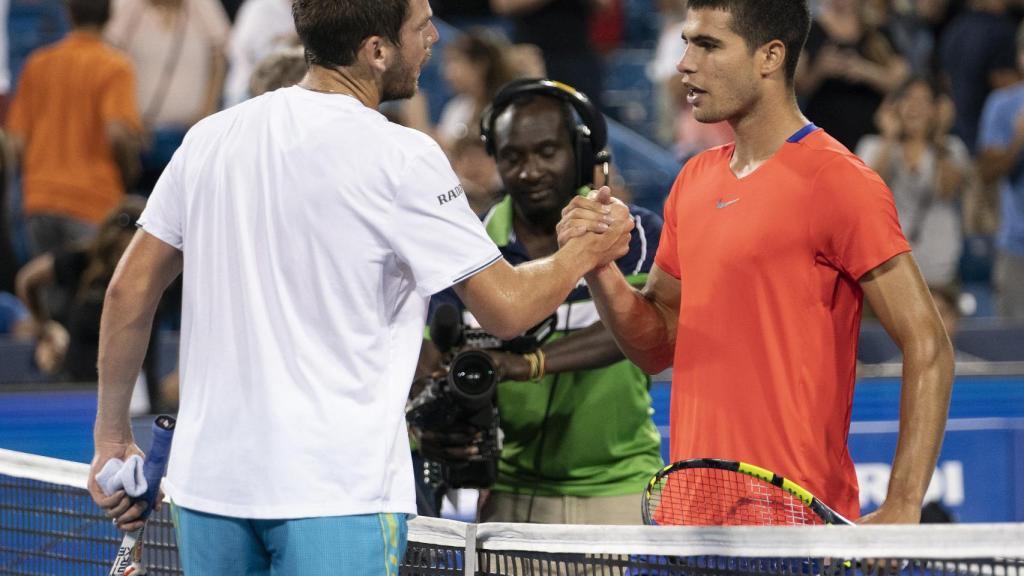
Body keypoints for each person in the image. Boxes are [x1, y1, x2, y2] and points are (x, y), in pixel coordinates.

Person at [87, 0, 635, 572]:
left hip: (208, 492)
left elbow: (129, 291)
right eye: (421, 27)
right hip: (336, 494)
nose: (433, 39)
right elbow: (508, 308)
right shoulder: (402, 157)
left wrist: (111, 436)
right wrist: (585, 250)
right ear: (376, 51)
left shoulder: (210, 138)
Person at [559, 0, 953, 524]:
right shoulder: (693, 181)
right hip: (694, 524)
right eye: (685, 43)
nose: (685, 64)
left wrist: (904, 502)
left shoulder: (839, 180)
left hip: (800, 523)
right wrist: (599, 269)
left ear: (770, 57)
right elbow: (656, 345)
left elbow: (928, 343)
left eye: (708, 45)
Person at [418, 79, 664, 525]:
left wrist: (527, 363)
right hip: (508, 494)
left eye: (547, 152)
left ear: (583, 155)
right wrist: (434, 421)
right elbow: (431, 357)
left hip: (620, 487)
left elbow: (636, 328)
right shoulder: (469, 248)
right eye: (512, 157)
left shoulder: (637, 235)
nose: (530, 171)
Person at [6, 0, 142, 257]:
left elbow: (16, 144)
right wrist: (128, 173)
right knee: (87, 292)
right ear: (110, 15)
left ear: (68, 13)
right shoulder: (115, 66)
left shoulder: (37, 64)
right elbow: (117, 134)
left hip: (39, 200)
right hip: (93, 202)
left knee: (43, 288)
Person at [855, 76, 973, 288]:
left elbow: (948, 189)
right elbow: (866, 193)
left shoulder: (951, 148)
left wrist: (939, 134)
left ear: (936, 110)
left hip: (939, 268)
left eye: (923, 100)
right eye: (908, 98)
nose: (914, 107)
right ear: (894, 106)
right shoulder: (872, 146)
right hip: (884, 270)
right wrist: (889, 137)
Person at [15, 197, 146, 382]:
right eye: (118, 253)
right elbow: (27, 280)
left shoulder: (156, 272)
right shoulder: (82, 261)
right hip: (78, 384)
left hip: (135, 387)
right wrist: (44, 327)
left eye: (131, 255)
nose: (123, 262)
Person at [976, 21, 1024, 320]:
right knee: (1014, 353)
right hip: (1018, 249)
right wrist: (1018, 142)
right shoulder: (1002, 105)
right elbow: (987, 173)